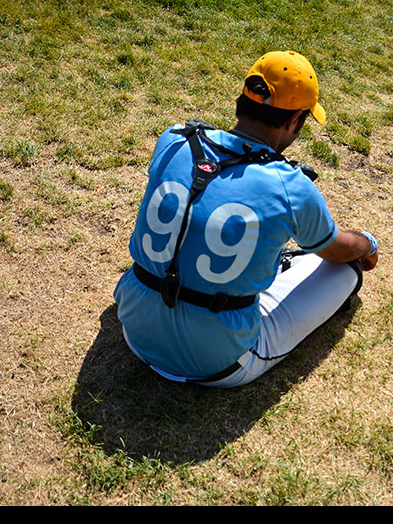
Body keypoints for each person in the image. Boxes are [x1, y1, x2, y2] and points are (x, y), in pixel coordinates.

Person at [113, 51, 379, 388]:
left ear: (243, 99)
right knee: (345, 270)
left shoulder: (175, 137)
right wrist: (369, 242)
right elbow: (337, 249)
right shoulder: (291, 185)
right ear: (295, 119)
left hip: (135, 330)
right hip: (218, 363)